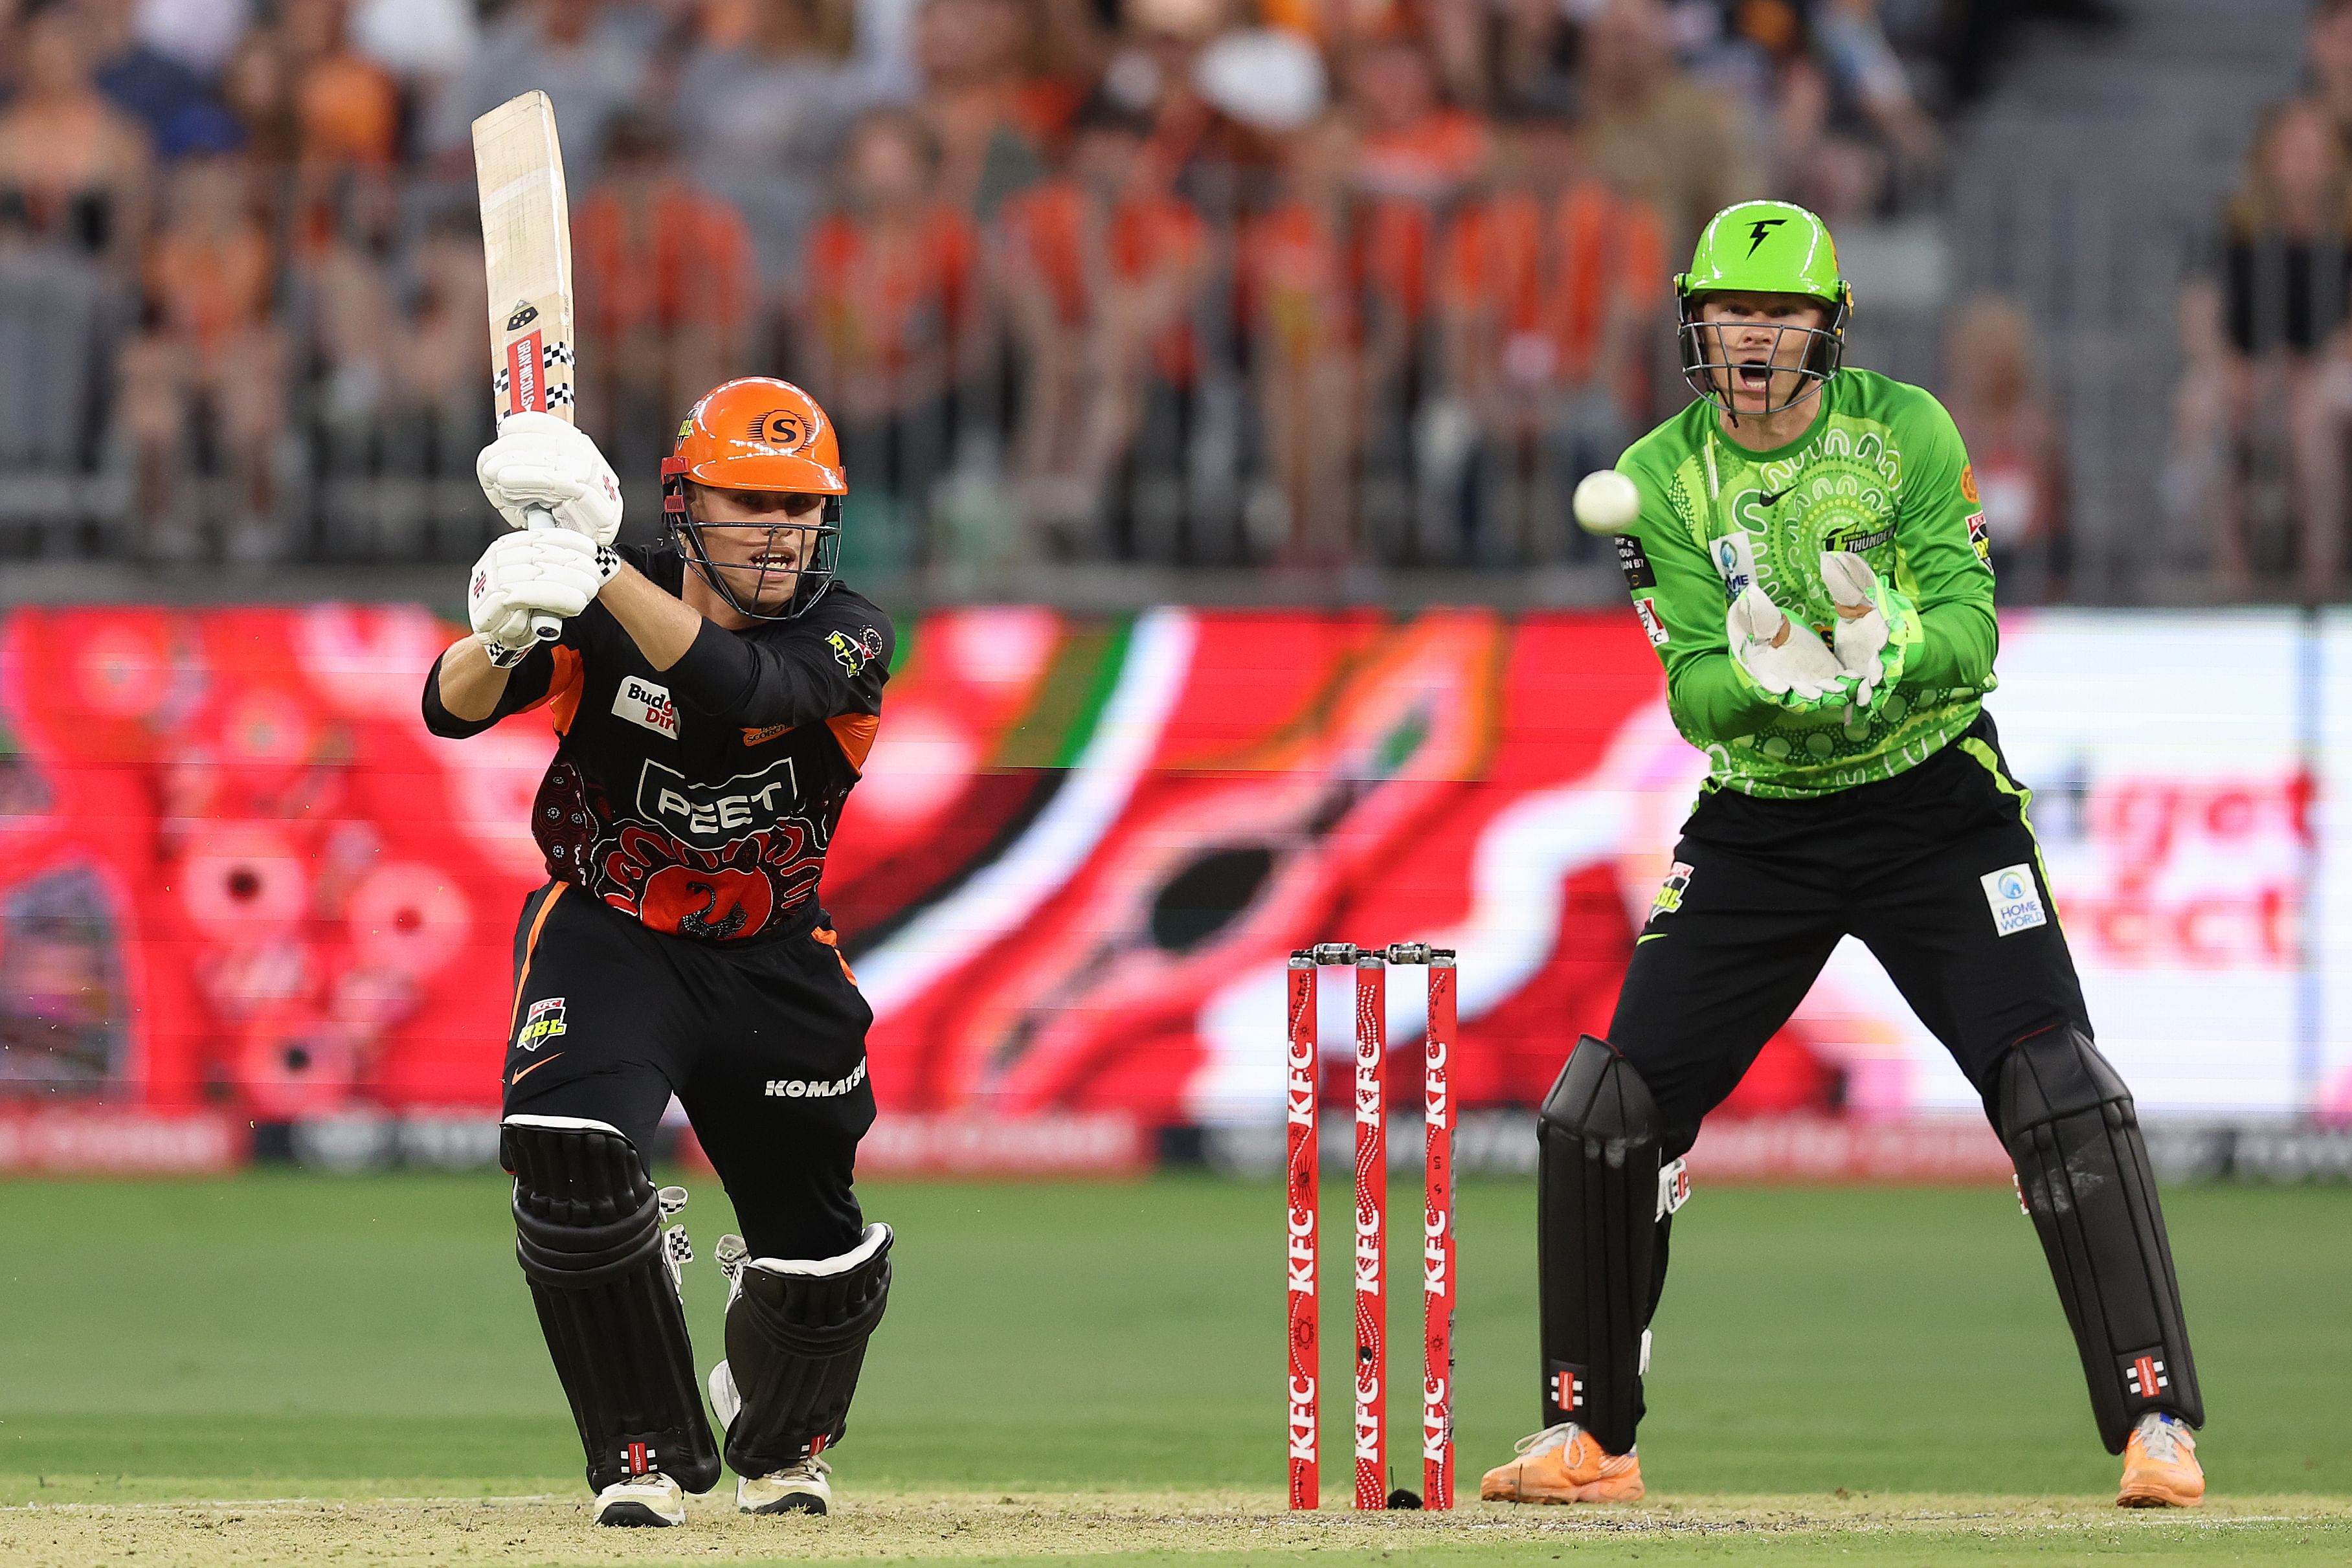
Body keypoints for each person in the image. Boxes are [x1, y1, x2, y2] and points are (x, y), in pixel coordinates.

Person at [1478, 201, 2208, 1511]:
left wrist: (1890, 653)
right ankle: (1589, 1433)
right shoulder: (1658, 476)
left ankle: (2155, 1419)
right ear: (1695, 324)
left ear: (1827, 328)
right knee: (1607, 1112)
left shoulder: (1906, 431)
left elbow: (1971, 629)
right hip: (1762, 824)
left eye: (1780, 316)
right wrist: (1771, 682)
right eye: (1730, 314)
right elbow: (1693, 692)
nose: (1753, 339)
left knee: (2056, 1088)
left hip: (1935, 805)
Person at [421, 377, 897, 1527]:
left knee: (820, 1264)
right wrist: (502, 632)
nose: (779, 532)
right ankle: (642, 1449)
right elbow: (447, 706)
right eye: (750, 503)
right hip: (611, 932)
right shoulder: (592, 594)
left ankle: (780, 1436)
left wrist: (596, 569)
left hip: (771, 957)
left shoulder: (849, 632)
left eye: (800, 507)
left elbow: (742, 691)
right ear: (685, 506)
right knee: (568, 1157)